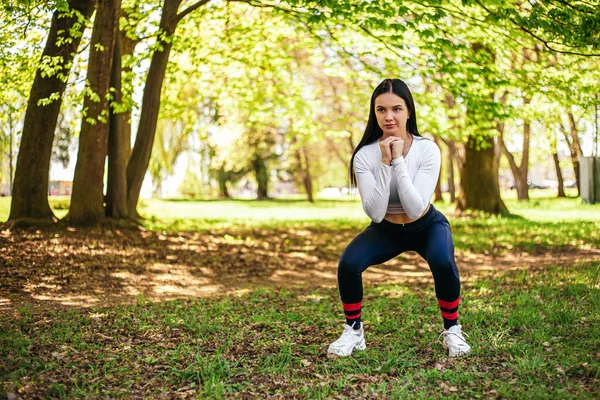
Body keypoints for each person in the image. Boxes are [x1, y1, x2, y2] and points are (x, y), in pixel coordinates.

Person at [327, 79, 471, 358]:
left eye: (396, 109)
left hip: (427, 225)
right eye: (381, 110)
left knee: (443, 261)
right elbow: (376, 213)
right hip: (386, 229)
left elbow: (416, 207)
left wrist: (398, 160)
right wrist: (383, 162)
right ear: (374, 113)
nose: (388, 116)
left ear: (408, 112)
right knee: (349, 263)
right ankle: (353, 332)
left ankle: (452, 330)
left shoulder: (427, 149)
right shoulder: (365, 155)